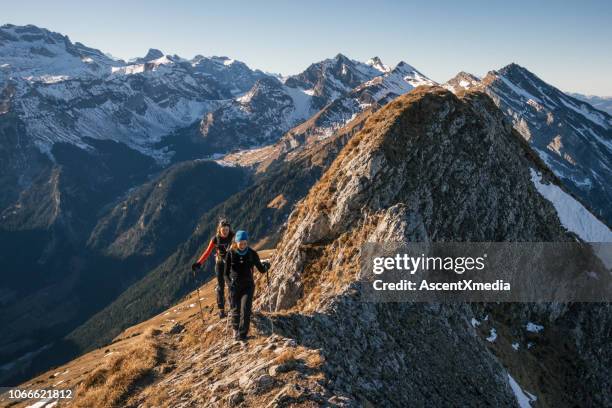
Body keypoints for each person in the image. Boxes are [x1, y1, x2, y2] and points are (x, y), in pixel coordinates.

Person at [225, 230, 270, 341]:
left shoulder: (252, 253)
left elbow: (261, 269)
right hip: (234, 286)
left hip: (248, 286)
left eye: (245, 243)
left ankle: (242, 335)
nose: (243, 245)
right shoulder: (230, 254)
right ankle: (235, 330)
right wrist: (229, 284)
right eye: (241, 243)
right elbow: (225, 273)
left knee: (246, 309)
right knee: (235, 310)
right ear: (236, 242)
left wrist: (266, 267)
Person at [192, 219, 234, 318]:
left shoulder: (233, 236)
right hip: (219, 264)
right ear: (219, 230)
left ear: (229, 229)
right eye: (223, 230)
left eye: (227, 230)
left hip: (230, 264)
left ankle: (233, 307)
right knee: (220, 286)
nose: (225, 232)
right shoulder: (215, 239)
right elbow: (207, 252)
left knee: (231, 285)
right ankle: (221, 310)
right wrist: (199, 263)